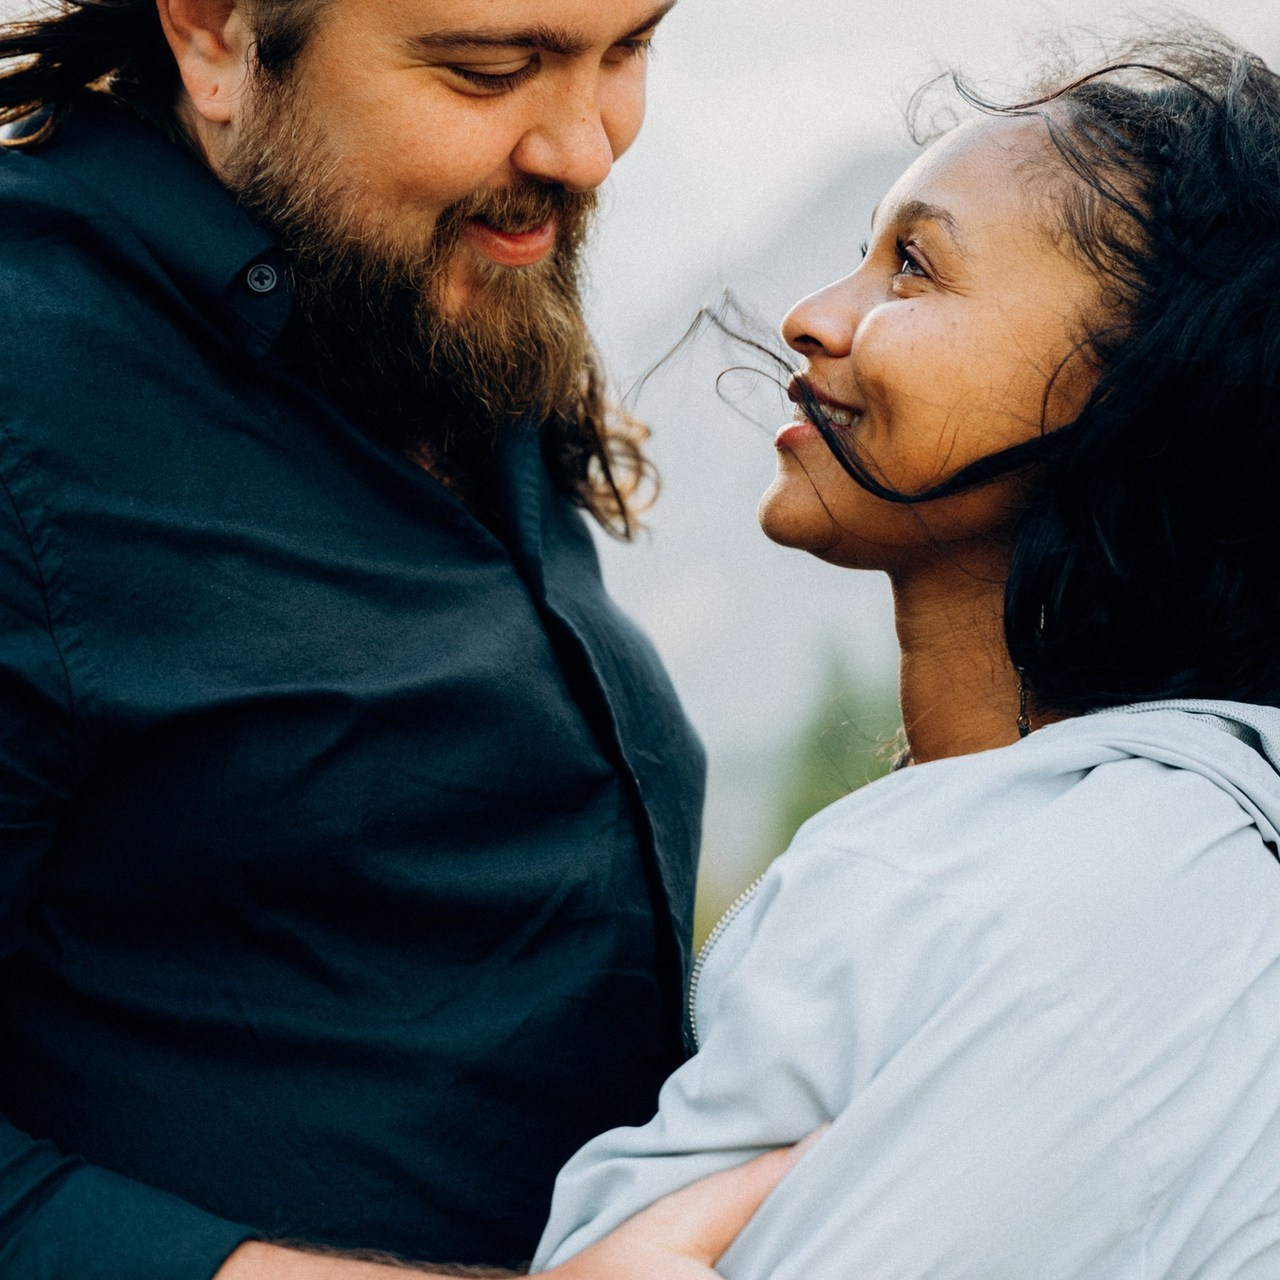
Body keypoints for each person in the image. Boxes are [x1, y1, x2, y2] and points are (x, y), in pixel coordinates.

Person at [0, 0, 791, 1275]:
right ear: (212, 33)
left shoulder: (422, 284)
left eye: (629, 47)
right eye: (489, 69)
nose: (586, 149)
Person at [534, 28, 1280, 1278]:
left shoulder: (1057, 907)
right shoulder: (1167, 849)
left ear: (1138, 393)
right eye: (860, 255)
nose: (810, 317)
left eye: (914, 268)